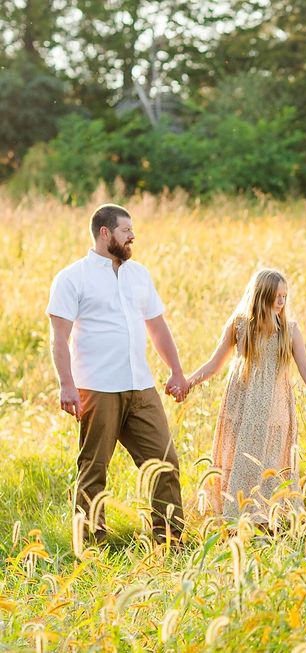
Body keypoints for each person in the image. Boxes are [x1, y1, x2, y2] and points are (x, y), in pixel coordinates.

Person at [47, 203, 188, 546]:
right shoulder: (71, 277)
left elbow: (157, 327)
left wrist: (176, 371)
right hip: (97, 388)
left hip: (141, 386)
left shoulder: (139, 274)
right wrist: (66, 385)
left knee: (165, 462)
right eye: (126, 231)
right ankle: (91, 546)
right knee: (94, 468)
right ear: (105, 233)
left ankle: (169, 541)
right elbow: (59, 338)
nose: (133, 237)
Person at [186, 269, 306, 525]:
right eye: (275, 297)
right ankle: (234, 517)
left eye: (284, 296)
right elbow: (215, 363)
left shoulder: (290, 329)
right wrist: (188, 383)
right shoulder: (239, 325)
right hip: (242, 404)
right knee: (240, 459)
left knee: (271, 462)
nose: (281, 302)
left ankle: (269, 518)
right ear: (260, 296)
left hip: (275, 405)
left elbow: (305, 366)